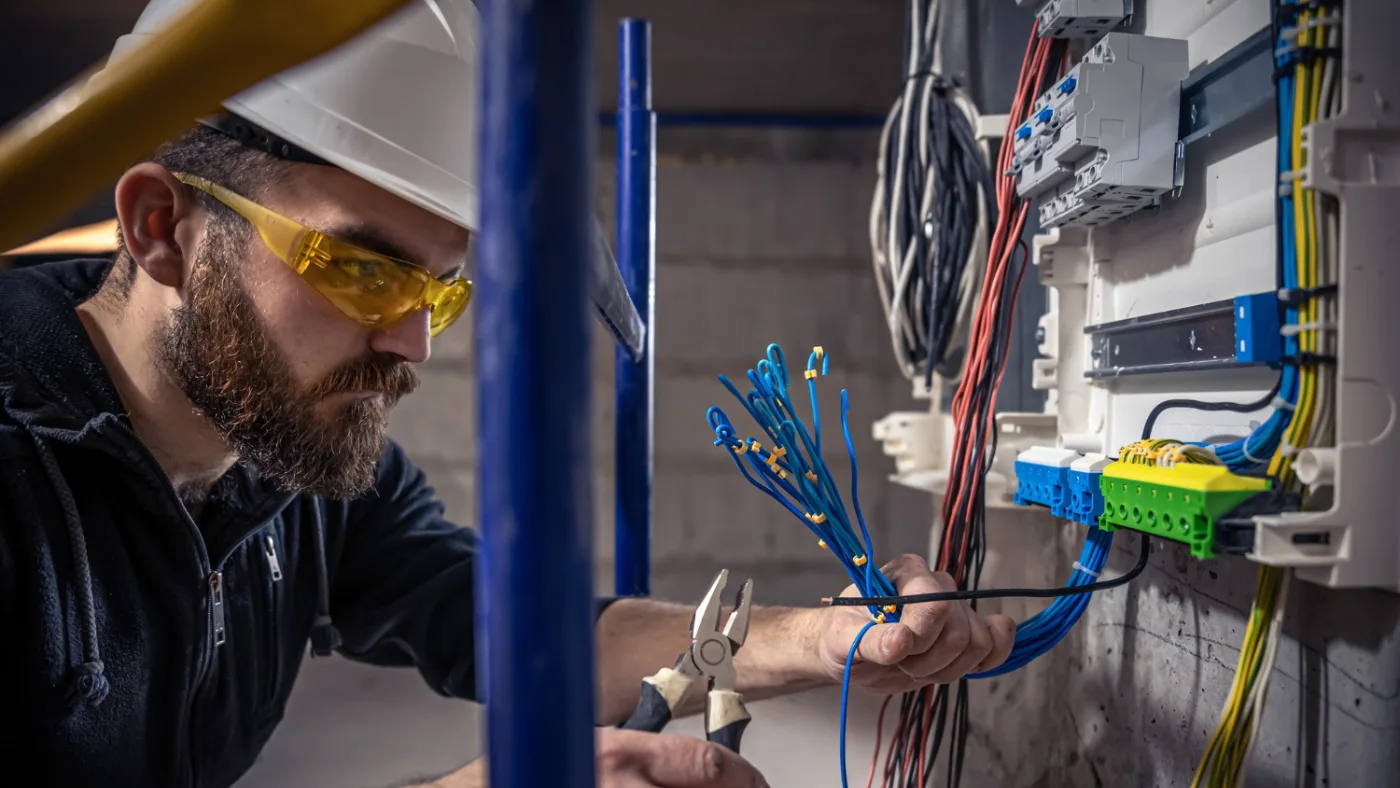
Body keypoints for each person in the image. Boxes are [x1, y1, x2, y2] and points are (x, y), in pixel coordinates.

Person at [0, 1, 1016, 786]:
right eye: (361, 269)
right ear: (159, 227)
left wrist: (827, 639)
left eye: (446, 287)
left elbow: (510, 625)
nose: (413, 341)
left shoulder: (294, 465)